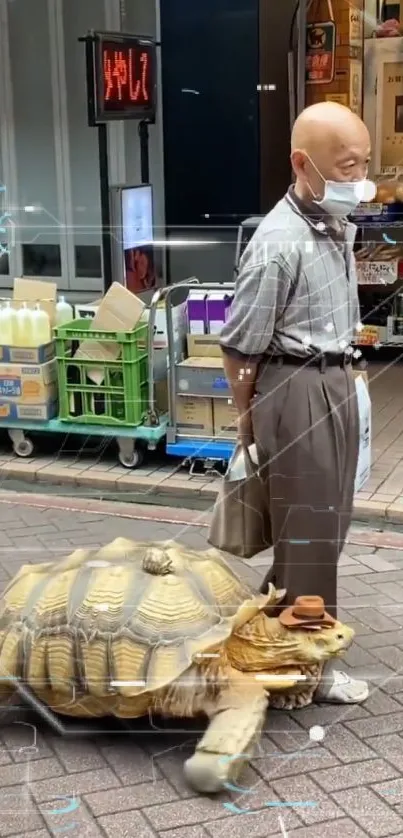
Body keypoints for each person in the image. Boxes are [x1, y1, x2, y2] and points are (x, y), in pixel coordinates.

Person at [219, 101, 373, 704]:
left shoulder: (331, 223)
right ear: (302, 165)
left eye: (364, 162)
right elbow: (240, 348)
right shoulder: (277, 241)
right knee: (309, 535)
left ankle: (277, 637)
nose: (359, 178)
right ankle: (308, 666)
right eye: (346, 166)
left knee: (322, 529)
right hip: (296, 386)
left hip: (335, 381)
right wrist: (249, 418)